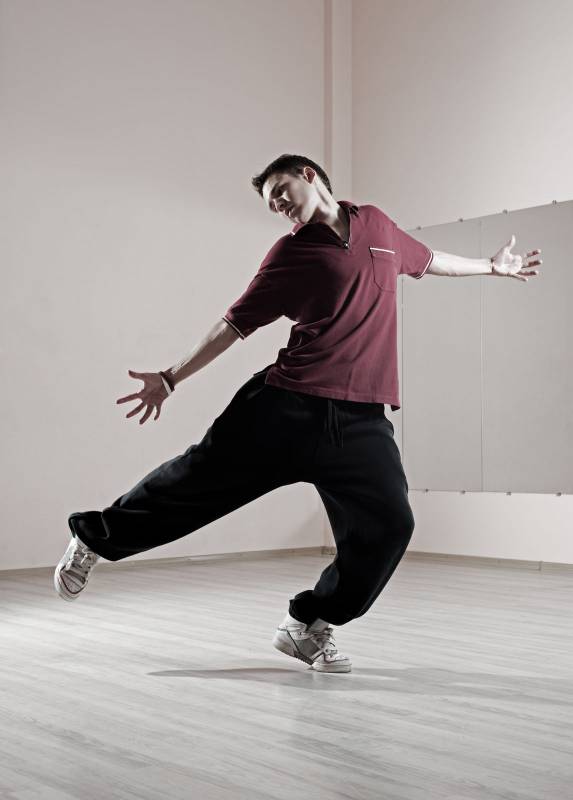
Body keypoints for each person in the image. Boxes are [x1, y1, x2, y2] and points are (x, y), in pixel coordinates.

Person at [54, 154, 541, 674]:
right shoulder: (291, 252)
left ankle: (308, 624)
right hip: (285, 407)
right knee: (192, 485)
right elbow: (234, 323)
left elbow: (428, 260)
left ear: (308, 174)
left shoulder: (377, 225)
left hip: (361, 419)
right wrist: (172, 377)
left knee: (390, 526)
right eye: (271, 204)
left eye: (280, 192)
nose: (278, 205)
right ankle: (93, 538)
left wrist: (490, 267)